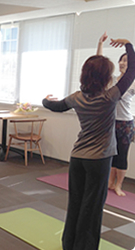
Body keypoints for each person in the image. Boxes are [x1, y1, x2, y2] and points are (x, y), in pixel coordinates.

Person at [43, 38, 135, 250]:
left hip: (78, 158)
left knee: (75, 202)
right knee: (92, 207)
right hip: (99, 160)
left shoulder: (77, 97)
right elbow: (131, 73)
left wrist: (45, 99)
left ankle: (69, 243)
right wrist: (129, 45)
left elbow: (55, 106)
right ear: (105, 77)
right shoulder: (110, 97)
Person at [97, 32, 135, 196]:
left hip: (126, 123)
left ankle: (119, 185)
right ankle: (110, 182)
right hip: (111, 122)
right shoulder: (112, 80)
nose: (122, 63)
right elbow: (99, 66)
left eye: (126, 60)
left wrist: (128, 43)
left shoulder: (132, 82)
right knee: (111, 153)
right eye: (121, 60)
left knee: (122, 154)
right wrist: (100, 44)